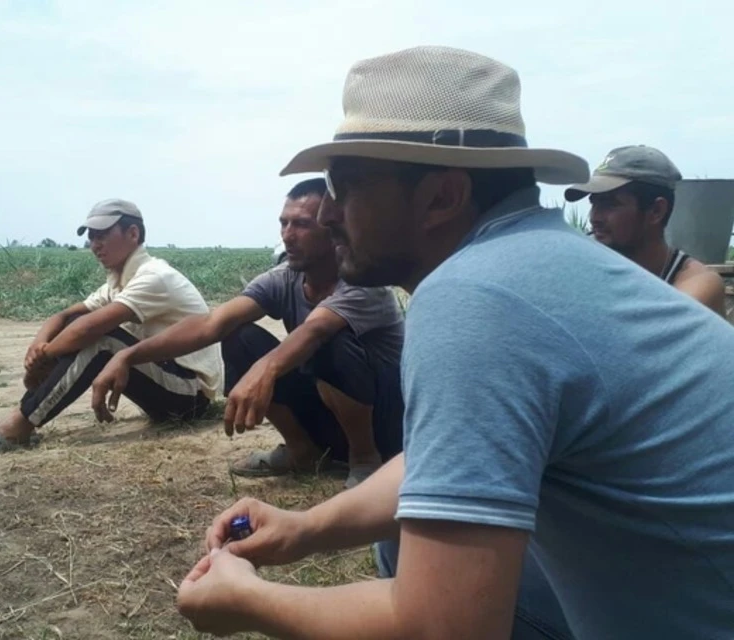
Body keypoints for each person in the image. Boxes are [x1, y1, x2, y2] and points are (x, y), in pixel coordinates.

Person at [175, 46, 734, 640]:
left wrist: (252, 602)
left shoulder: (476, 296)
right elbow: (448, 462)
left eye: (347, 185)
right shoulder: (545, 261)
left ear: (442, 197)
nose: (330, 214)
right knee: (405, 542)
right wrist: (306, 528)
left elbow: (444, 630)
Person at [91, 179, 404, 488]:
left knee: (329, 344)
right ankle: (303, 452)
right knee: (239, 337)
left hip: (388, 425)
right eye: (284, 223)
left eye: (303, 225)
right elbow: (211, 324)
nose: (288, 235)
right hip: (332, 417)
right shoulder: (285, 278)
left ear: (333, 228)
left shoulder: (363, 282)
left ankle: (364, 460)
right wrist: (129, 355)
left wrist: (264, 370)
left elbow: (315, 330)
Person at [0, 199, 222, 462]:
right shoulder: (119, 280)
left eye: (102, 235)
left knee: (101, 338)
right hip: (167, 381)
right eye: (91, 237)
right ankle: (22, 417)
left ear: (133, 233)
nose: (95, 245)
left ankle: (19, 425)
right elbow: (66, 316)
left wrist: (43, 360)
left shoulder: (154, 276)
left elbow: (89, 329)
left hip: (189, 396)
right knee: (78, 328)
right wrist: (39, 345)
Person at [565, 145, 727, 316]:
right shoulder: (585, 264)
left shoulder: (695, 283)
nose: (594, 218)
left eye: (609, 204)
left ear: (656, 211)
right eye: (594, 203)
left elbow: (647, 332)